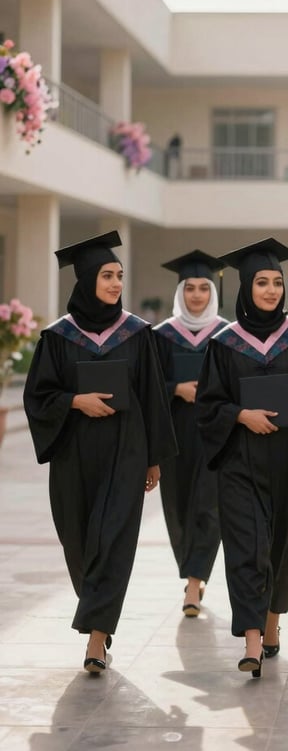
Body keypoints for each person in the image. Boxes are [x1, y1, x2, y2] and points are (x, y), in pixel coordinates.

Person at [23, 230, 176, 674]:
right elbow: (38, 397)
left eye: (119, 275)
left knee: (113, 541)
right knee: (79, 543)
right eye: (107, 275)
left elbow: (151, 396)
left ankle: (94, 640)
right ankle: (99, 618)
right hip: (74, 453)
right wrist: (75, 401)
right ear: (87, 279)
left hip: (125, 451)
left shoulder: (136, 334)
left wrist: (154, 457)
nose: (115, 283)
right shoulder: (58, 337)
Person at [196, 238, 288, 679]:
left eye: (275, 283)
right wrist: (239, 414)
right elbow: (207, 406)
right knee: (246, 546)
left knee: (283, 545)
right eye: (261, 282)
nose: (270, 290)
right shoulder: (225, 343)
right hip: (240, 461)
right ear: (245, 288)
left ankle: (271, 622)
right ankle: (251, 639)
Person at [153, 250, 229, 617]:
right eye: (190, 288)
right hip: (175, 433)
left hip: (216, 433)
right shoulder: (161, 336)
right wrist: (176, 390)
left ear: (212, 293)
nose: (197, 295)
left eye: (203, 288)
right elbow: (147, 387)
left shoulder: (228, 336)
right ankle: (190, 572)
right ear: (180, 292)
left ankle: (195, 583)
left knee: (210, 506)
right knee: (179, 506)